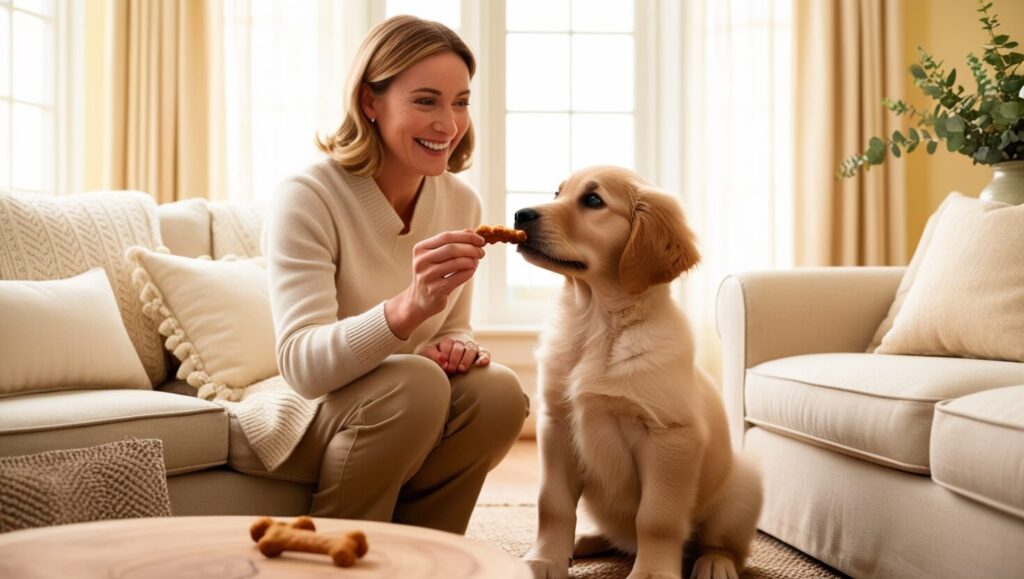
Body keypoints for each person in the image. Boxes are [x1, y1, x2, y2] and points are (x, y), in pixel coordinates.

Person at [249, 15, 528, 534]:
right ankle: (340, 553)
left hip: (404, 394)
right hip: (311, 404)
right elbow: (302, 367)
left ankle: (429, 552)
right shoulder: (307, 198)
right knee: (417, 382)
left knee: (499, 392)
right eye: (426, 101)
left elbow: (449, 328)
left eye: (461, 101)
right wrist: (407, 308)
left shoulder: (460, 201)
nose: (449, 124)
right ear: (370, 103)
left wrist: (456, 347)